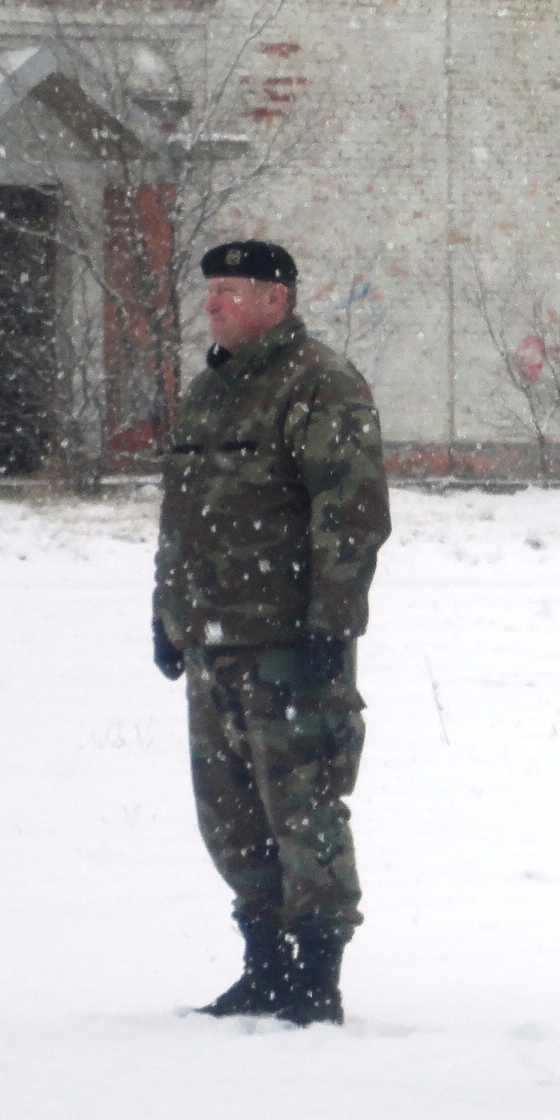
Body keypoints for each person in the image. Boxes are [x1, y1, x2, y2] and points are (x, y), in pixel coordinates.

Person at [153, 238, 389, 1027]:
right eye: (211, 290)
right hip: (211, 640)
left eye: (230, 290)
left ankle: (316, 977)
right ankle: (265, 966)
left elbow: (351, 514)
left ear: (275, 299)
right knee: (229, 816)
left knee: (302, 808)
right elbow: (180, 517)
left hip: (288, 645)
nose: (212, 304)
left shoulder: (321, 384)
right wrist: (167, 613)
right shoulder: (208, 393)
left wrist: (330, 624)